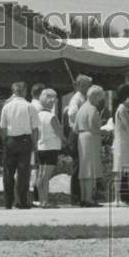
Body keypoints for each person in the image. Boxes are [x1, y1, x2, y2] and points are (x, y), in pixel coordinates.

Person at [0, 81, 40, 209]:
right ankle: (22, 201)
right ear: (24, 91)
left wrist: (5, 141)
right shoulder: (29, 106)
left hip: (10, 140)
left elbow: (3, 128)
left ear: (13, 91)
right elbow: (34, 129)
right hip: (24, 140)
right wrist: (34, 144)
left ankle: (8, 202)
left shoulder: (6, 107)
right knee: (23, 173)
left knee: (8, 173)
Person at [63, 74, 92, 205]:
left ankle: (82, 196)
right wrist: (80, 124)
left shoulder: (83, 98)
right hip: (76, 133)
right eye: (87, 85)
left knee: (82, 165)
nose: (89, 87)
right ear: (80, 85)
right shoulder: (77, 99)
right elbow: (72, 113)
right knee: (78, 166)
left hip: (79, 132)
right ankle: (76, 197)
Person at [75, 84, 105, 207]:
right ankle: (89, 199)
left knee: (83, 168)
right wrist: (103, 131)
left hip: (81, 137)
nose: (99, 100)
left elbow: (75, 128)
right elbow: (93, 125)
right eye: (99, 97)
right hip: (91, 138)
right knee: (90, 169)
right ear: (94, 96)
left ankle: (83, 197)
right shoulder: (92, 108)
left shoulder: (81, 108)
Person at [35, 88, 63, 208]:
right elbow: (59, 133)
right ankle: (45, 201)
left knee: (41, 175)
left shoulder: (38, 115)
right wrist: (65, 139)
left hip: (41, 147)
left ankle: (42, 200)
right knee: (46, 176)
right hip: (51, 148)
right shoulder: (51, 117)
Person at [29, 83, 46, 203]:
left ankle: (32, 196)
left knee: (33, 169)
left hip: (32, 140)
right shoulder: (39, 107)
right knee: (38, 169)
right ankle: (37, 196)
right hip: (39, 141)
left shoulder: (30, 105)